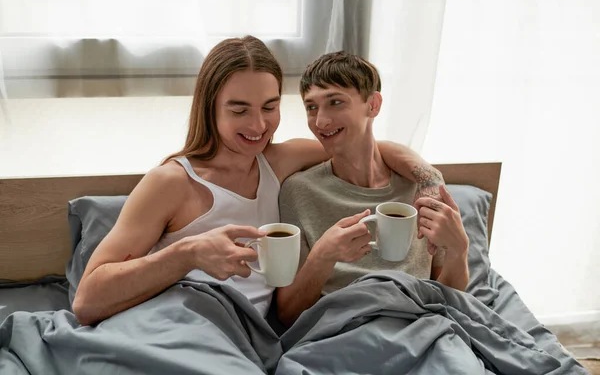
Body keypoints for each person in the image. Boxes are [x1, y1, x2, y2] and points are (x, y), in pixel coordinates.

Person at [72, 37, 435, 327]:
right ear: (210, 107)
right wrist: (188, 253)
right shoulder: (171, 182)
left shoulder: (280, 161)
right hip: (174, 319)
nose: (259, 125)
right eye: (239, 109)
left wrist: (430, 180)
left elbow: (369, 145)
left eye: (269, 107)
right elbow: (87, 301)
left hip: (243, 336)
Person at [277, 52, 470, 326]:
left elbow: (449, 301)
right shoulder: (299, 191)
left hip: (420, 330)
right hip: (342, 334)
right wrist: (323, 257)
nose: (320, 121)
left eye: (335, 102)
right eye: (311, 107)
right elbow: (286, 315)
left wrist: (459, 250)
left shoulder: (423, 188)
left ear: (373, 105)